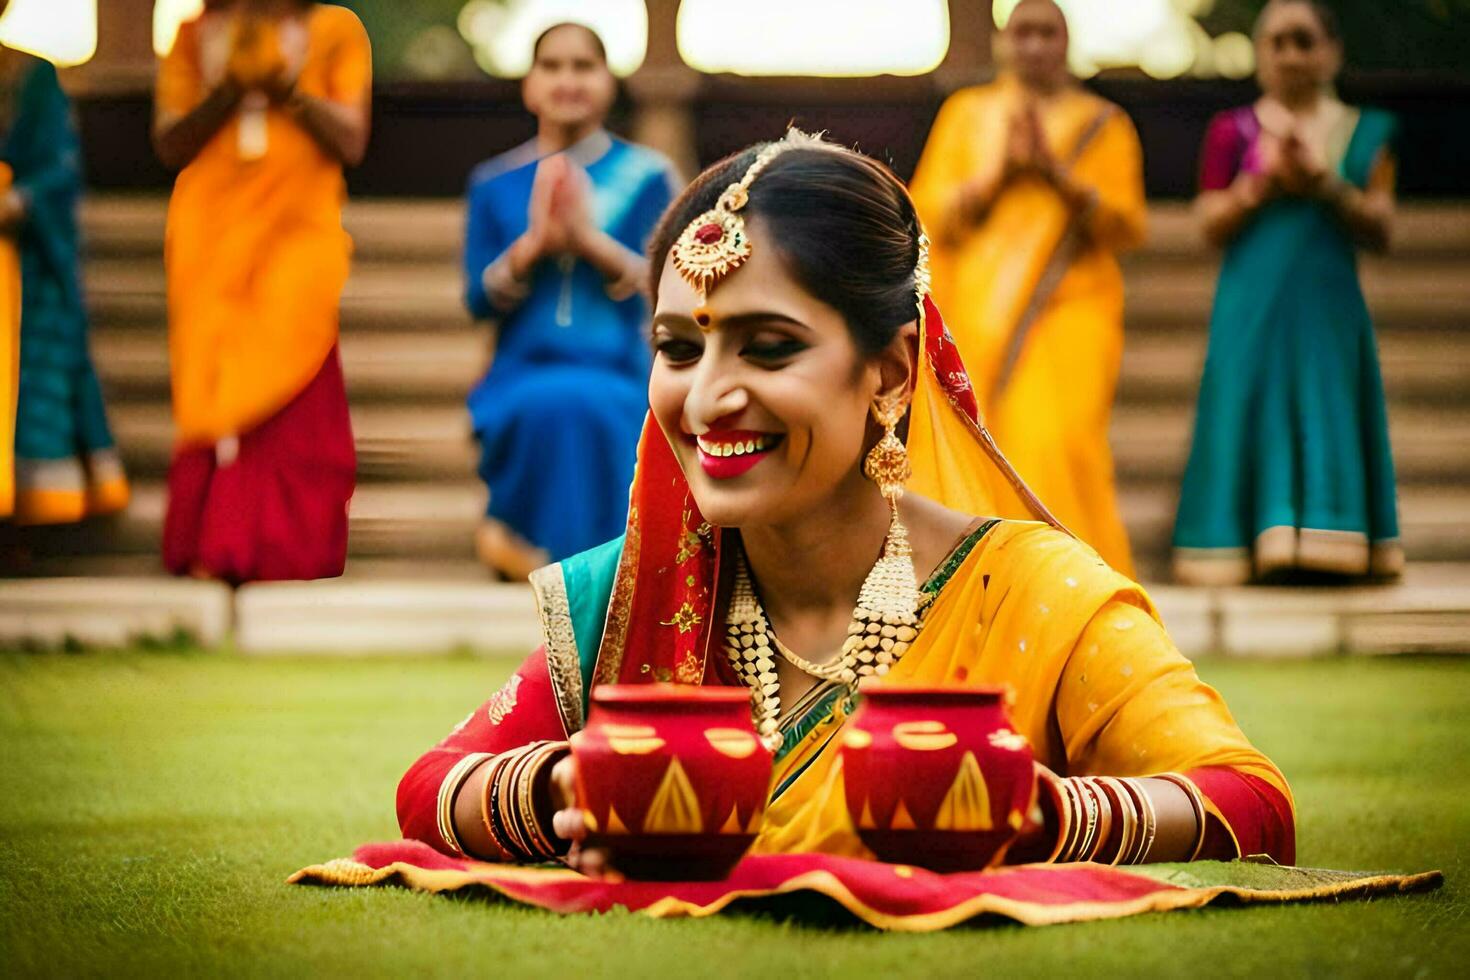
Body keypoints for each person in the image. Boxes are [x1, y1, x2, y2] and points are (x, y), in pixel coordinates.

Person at [396, 134, 1294, 874]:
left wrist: (1044, 817)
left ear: (892, 371)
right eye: (678, 349)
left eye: (770, 348)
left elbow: (1248, 801)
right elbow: (431, 787)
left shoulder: (1030, 591)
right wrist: (571, 789)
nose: (707, 399)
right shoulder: (634, 595)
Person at [909, 0, 1145, 577]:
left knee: (1058, 441)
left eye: (1048, 33)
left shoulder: (1102, 124)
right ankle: (986, 585)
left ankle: (1079, 585)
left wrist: (1054, 175)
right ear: (1002, 43)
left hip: (1070, 309)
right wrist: (998, 177)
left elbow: (1127, 224)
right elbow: (925, 211)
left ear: (1066, 43)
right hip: (977, 311)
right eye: (1023, 33)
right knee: (978, 452)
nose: (1035, 46)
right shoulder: (967, 113)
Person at [1173, 0, 1401, 585]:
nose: (1290, 55)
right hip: (1251, 304)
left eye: (1303, 41)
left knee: (1327, 401)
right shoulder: (1234, 130)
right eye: (1276, 43)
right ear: (1259, 55)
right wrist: (1263, 185)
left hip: (1327, 304)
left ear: (1332, 53)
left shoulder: (1365, 130)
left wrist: (1325, 183)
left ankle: (1334, 544)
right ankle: (1237, 545)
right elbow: (1206, 221)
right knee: (1242, 403)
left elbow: (1382, 225)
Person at [153, 0, 369, 582]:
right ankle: (215, 545)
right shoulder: (194, 34)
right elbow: (169, 144)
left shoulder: (335, 28)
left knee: (291, 363)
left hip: (300, 226)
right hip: (211, 228)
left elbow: (351, 141)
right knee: (217, 377)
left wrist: (286, 88)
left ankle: (287, 549)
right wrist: (227, 88)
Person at [462, 23, 680, 580]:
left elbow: (670, 289)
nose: (568, 80)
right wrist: (533, 246)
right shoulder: (495, 182)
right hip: (522, 367)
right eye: (552, 66)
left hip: (617, 366)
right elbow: (476, 300)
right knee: (545, 405)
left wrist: (589, 243)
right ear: (529, 84)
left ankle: (574, 572)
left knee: (595, 407)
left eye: (583, 66)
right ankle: (563, 568)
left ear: (609, 82)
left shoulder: (648, 177)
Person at [1, 39, 128, 524]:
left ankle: (18, 528)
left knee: (31, 380)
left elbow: (59, 169)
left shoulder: (32, 78)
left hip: (23, 263)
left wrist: (19, 203)